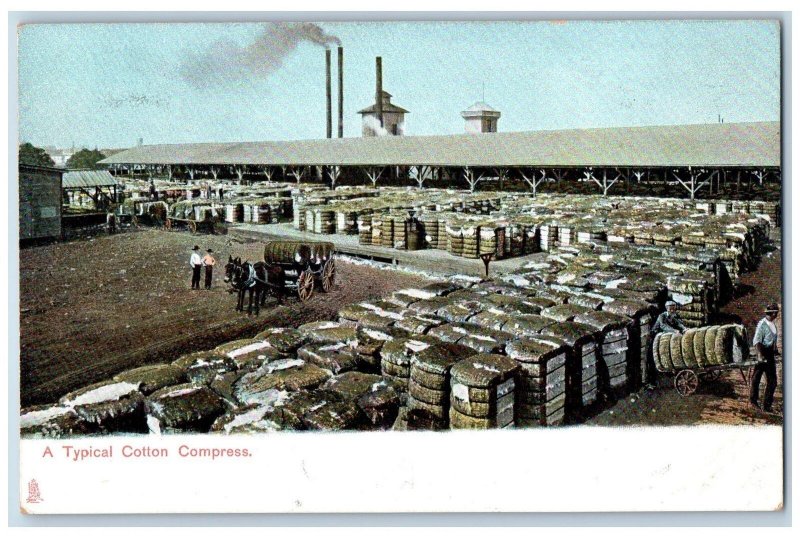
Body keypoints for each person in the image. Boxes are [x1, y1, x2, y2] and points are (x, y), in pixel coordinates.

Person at [750, 303, 780, 413]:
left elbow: (773, 339)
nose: (776, 315)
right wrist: (760, 355)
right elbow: (757, 341)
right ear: (772, 313)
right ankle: (753, 401)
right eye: (776, 313)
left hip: (769, 353)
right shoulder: (762, 324)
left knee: (772, 381)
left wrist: (775, 350)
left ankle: (767, 405)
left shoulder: (772, 324)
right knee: (756, 377)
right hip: (762, 352)